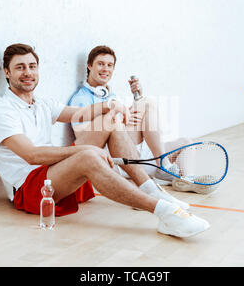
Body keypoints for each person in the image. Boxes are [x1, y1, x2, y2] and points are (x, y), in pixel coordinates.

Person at [0, 43, 210, 238]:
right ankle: (165, 213)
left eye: (32, 67)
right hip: (30, 189)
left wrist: (110, 106)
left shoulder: (42, 104)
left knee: (109, 122)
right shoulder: (2, 111)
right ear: (7, 72)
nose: (27, 73)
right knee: (87, 155)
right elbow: (32, 155)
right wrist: (84, 151)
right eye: (20, 67)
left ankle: (151, 189)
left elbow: (78, 113)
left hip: (53, 173)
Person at [68, 45, 192, 186]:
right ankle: (163, 167)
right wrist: (122, 117)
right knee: (147, 103)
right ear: (89, 65)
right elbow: (84, 140)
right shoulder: (81, 99)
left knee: (186, 142)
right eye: (100, 64)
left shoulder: (111, 96)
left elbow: (126, 123)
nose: (105, 69)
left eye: (110, 65)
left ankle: (186, 182)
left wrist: (135, 102)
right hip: (117, 159)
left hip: (138, 153)